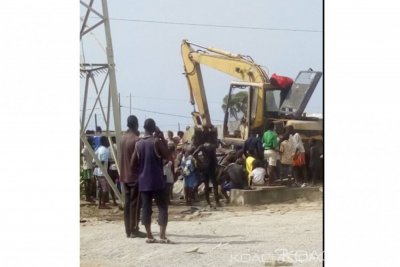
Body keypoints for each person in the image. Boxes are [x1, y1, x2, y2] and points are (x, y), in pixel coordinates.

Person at [131, 118, 171, 244]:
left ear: (144, 128)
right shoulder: (156, 142)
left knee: (146, 208)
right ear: (154, 128)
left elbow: (132, 164)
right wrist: (162, 138)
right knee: (162, 207)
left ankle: (149, 235)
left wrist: (141, 171)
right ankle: (162, 235)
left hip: (144, 181)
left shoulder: (138, 144)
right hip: (157, 180)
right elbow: (167, 156)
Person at [119, 115, 146, 238]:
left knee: (127, 203)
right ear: (136, 124)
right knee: (135, 204)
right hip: (134, 176)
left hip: (124, 175)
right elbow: (139, 160)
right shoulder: (136, 140)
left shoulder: (122, 139)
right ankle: (134, 229)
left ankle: (127, 230)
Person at [93, 136, 110, 209]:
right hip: (102, 172)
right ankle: (103, 204)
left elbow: (94, 160)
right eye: (107, 140)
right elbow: (102, 162)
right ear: (105, 141)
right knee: (104, 189)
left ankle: (99, 204)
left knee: (99, 188)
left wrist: (96, 166)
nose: (109, 142)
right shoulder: (106, 150)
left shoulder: (98, 149)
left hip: (96, 172)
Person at [262, 121, 279, 185]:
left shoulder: (265, 133)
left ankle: (269, 181)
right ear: (273, 127)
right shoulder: (274, 135)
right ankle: (270, 182)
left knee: (268, 167)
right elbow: (275, 146)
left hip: (265, 151)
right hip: (272, 151)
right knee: (271, 167)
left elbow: (262, 142)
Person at [81, 132, 94, 202]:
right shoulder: (86, 148)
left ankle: (88, 197)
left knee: (88, 182)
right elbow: (82, 154)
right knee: (88, 182)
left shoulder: (88, 147)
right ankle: (88, 197)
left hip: (88, 166)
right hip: (87, 167)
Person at [107, 136, 118, 205]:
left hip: (111, 167)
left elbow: (107, 159)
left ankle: (114, 200)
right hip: (118, 168)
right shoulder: (118, 147)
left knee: (112, 185)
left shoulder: (108, 148)